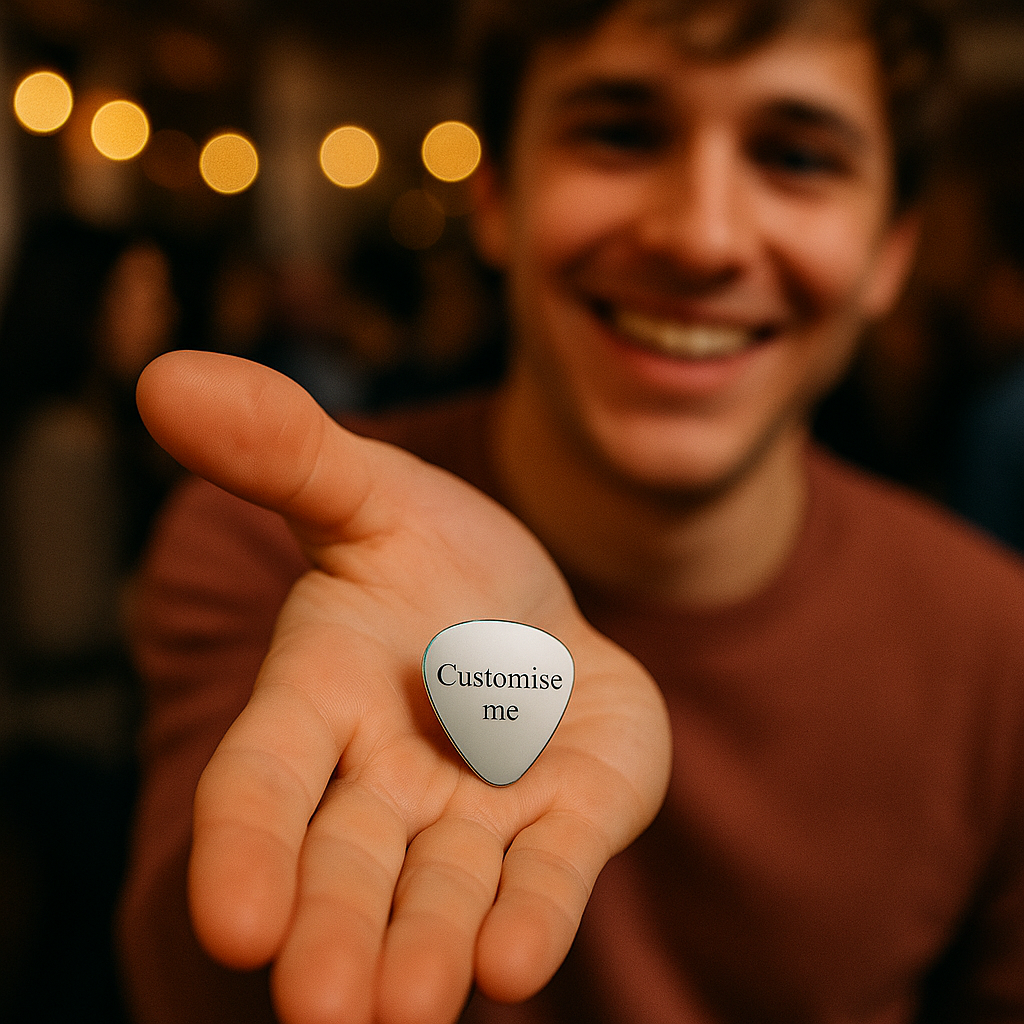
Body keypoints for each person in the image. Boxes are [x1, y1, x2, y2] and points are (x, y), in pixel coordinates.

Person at [119, 1, 1024, 1023]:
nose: (702, 237)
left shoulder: (998, 647)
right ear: (496, 195)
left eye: (797, 157)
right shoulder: (271, 538)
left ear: (889, 249)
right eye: (621, 133)